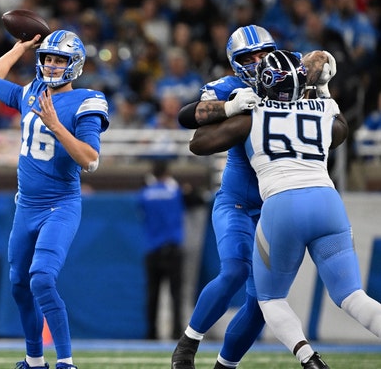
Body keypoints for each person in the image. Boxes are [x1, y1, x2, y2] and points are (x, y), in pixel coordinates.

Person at [190, 49, 381, 369]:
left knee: (269, 299)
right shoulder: (322, 108)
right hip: (327, 202)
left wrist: (229, 108)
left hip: (282, 206)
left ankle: (309, 359)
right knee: (352, 297)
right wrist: (323, 90)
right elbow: (341, 132)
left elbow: (200, 144)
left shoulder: (253, 115)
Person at [0, 30, 109, 369]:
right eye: (48, 58)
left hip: (60, 205)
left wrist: (56, 125)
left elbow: (90, 159)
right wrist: (18, 49)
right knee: (20, 283)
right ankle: (34, 360)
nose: (51, 65)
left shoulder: (86, 100)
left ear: (75, 64)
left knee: (42, 278)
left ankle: (65, 362)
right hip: (26, 206)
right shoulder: (31, 92)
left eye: (59, 59)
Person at [171, 24, 278, 369]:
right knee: (234, 270)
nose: (260, 62)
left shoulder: (290, 83)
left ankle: (225, 366)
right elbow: (195, 134)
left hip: (277, 206)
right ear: (235, 63)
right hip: (237, 199)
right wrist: (229, 109)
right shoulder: (228, 87)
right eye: (250, 57)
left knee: (265, 300)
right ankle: (188, 344)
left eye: (263, 53)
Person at [138, 159, 185, 340]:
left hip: (153, 249)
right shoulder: (175, 191)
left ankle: (151, 333)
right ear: (166, 174)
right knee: (176, 294)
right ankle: (177, 332)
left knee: (152, 294)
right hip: (173, 248)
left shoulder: (145, 193)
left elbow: (141, 212)